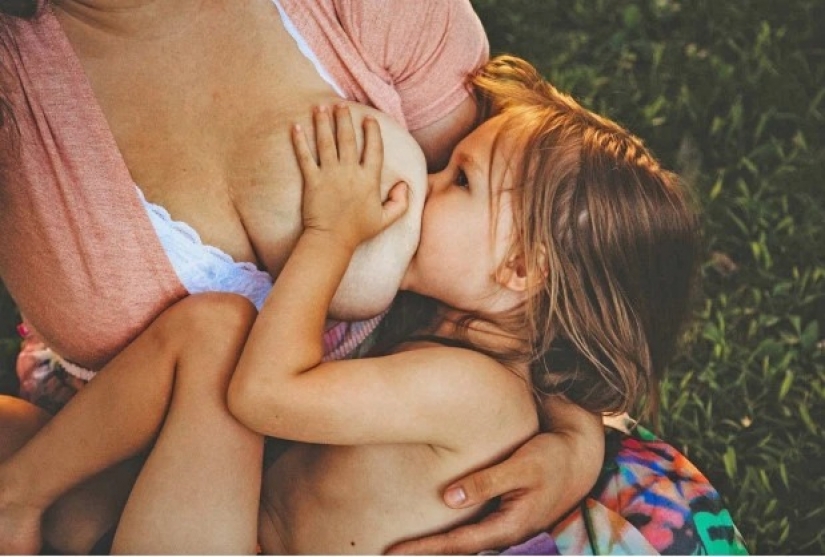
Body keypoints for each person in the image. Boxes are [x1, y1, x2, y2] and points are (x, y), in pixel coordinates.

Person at [0, 54, 705, 554]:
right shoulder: (471, 359)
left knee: (216, 332)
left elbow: (263, 393)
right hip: (222, 513)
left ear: (520, 267)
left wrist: (329, 234)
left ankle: (19, 504)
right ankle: (45, 508)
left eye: (460, 179)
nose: (426, 180)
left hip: (232, 542)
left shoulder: (474, 393)